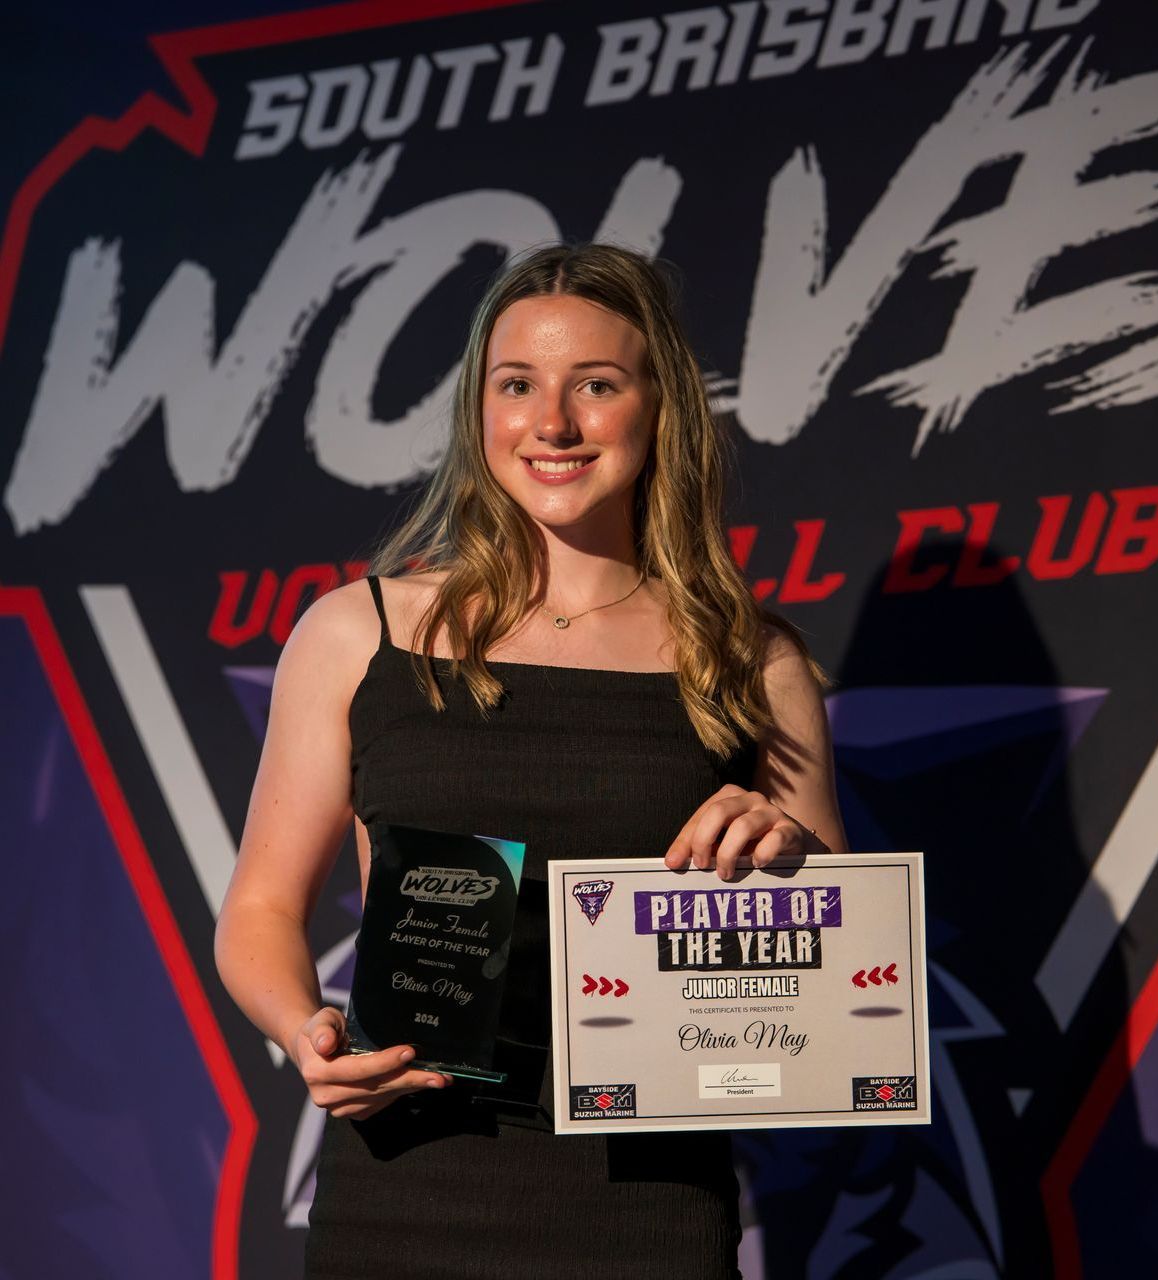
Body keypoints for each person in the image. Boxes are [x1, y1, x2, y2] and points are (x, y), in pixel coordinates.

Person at [215, 242, 847, 1279]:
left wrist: (788, 856)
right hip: (402, 1189)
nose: (550, 423)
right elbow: (258, 914)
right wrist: (306, 1031)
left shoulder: (749, 656)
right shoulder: (356, 630)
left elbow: (834, 975)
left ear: (659, 409)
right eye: (517, 385)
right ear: (480, 411)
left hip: (647, 1212)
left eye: (594, 385)